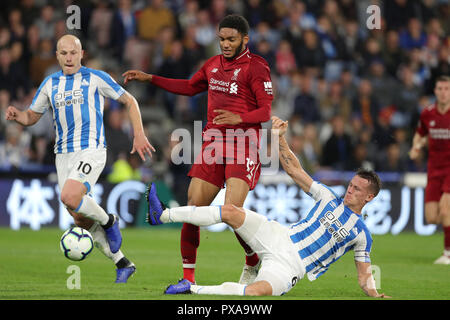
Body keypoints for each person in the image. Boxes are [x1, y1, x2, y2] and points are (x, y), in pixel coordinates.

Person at [144, 116, 390, 298]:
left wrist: (375, 294)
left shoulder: (361, 235)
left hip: (292, 267)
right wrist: (280, 138)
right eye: (351, 185)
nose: (350, 190)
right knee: (231, 211)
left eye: (357, 189)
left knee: (255, 293)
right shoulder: (328, 196)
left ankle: (192, 289)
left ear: (369, 198)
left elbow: (363, 275)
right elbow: (294, 170)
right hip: (278, 235)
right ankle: (162, 214)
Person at [123, 14, 273, 292]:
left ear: (245, 39)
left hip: (244, 144)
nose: (225, 45)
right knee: (193, 207)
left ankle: (252, 258)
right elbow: (190, 87)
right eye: (221, 39)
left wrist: (239, 119)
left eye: (231, 39)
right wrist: (150, 78)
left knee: (232, 213)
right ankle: (188, 280)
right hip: (214, 143)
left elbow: (265, 111)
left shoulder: (257, 68)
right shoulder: (212, 65)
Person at [5, 34, 155, 282]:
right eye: (63, 53)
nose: (69, 57)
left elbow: (130, 100)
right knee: (79, 217)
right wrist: (18, 115)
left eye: (73, 52)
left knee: (69, 196)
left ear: (81, 54)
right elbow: (33, 116)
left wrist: (138, 135)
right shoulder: (50, 84)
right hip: (63, 155)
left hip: (91, 149)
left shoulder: (95, 78)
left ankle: (109, 221)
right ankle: (122, 262)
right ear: (57, 56)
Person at [409, 76, 450, 265]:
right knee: (432, 217)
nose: (443, 92)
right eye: (440, 88)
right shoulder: (428, 114)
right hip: (434, 169)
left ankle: (447, 253)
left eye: (447, 89)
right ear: (435, 91)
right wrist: (416, 146)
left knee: (446, 208)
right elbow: (420, 134)